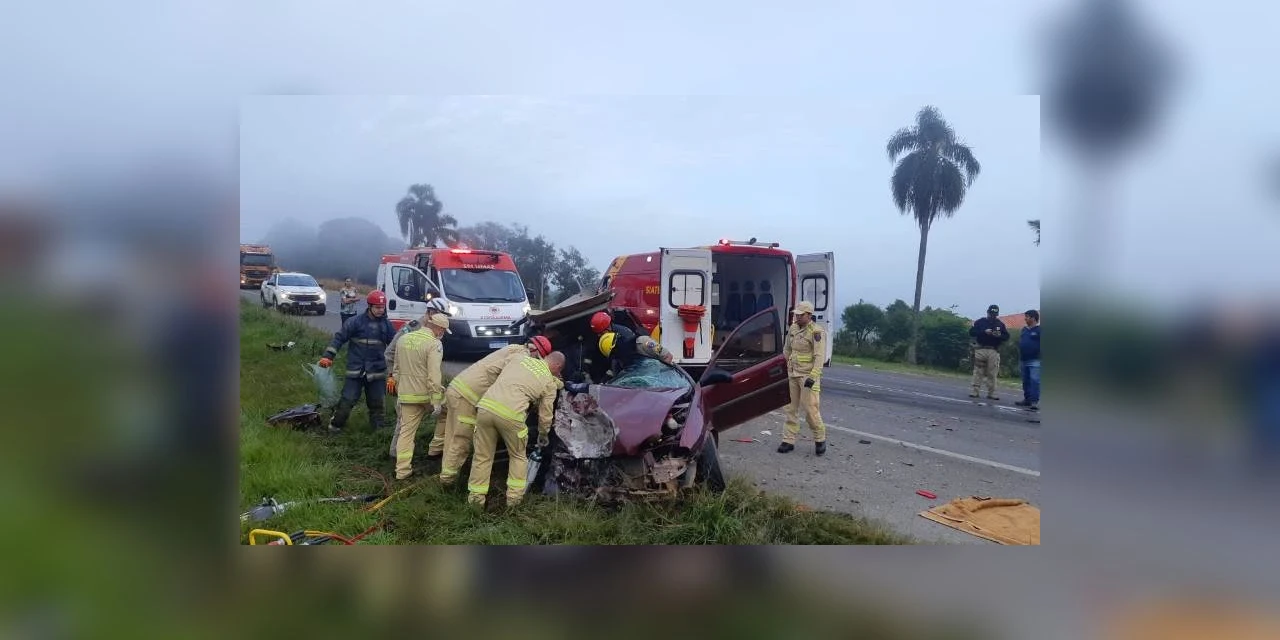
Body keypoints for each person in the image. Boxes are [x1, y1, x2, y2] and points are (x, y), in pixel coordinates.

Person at [439, 336, 554, 488]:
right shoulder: (521, 355)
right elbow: (495, 371)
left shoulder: (515, 350)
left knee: (456, 438)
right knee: (460, 440)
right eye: (537, 357)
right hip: (467, 397)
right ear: (534, 350)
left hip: (463, 392)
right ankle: (447, 481)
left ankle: (448, 474)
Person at [467, 351, 565, 508]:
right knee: (518, 457)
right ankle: (514, 501)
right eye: (559, 371)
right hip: (511, 415)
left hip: (485, 408)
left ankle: (475, 500)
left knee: (482, 456)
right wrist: (543, 433)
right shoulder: (549, 382)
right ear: (557, 366)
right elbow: (545, 414)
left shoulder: (519, 359)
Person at [319, 290, 397, 432]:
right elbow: (339, 338)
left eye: (382, 307)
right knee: (347, 400)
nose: (380, 310)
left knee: (377, 404)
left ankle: (378, 433)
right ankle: (335, 427)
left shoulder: (387, 325)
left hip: (377, 372)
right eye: (377, 307)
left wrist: (393, 373)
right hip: (356, 371)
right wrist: (328, 356)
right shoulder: (354, 322)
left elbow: (395, 348)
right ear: (370, 306)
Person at [385, 297, 453, 457]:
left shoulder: (435, 331)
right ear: (430, 313)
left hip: (423, 383)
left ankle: (432, 449)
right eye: (440, 315)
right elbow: (390, 353)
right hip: (404, 382)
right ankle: (395, 456)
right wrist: (391, 376)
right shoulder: (413, 327)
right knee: (403, 422)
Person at [779, 301, 827, 455]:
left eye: (801, 315)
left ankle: (820, 439)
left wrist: (813, 376)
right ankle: (788, 440)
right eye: (796, 314)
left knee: (810, 409)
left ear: (809, 315)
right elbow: (787, 349)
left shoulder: (816, 332)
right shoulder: (793, 329)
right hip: (792, 373)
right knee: (790, 408)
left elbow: (820, 357)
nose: (797, 317)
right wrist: (781, 367)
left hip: (808, 377)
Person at [969, 304, 1010, 400]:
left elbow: (1006, 337)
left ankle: (991, 393)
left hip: (993, 350)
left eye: (994, 314)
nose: (992, 316)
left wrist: (998, 335)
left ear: (997, 314)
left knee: (992, 373)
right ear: (988, 312)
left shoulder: (1000, 324)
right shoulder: (980, 322)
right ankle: (975, 391)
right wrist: (984, 331)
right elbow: (972, 332)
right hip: (981, 348)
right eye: (991, 313)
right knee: (978, 371)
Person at [1015, 309, 1041, 411]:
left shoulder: (1040, 330)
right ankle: (1027, 399)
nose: (1025, 319)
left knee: (1034, 381)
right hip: (1023, 359)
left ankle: (1034, 402)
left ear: (1033, 318)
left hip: (1035, 360)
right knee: (1025, 381)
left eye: (1027, 317)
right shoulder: (1024, 330)